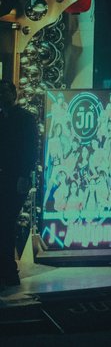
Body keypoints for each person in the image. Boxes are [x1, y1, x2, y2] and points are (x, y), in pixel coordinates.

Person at [0, 80, 38, 288]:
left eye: (5, 92)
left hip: (15, 178)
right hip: (5, 176)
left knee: (6, 223)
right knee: (4, 224)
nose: (2, 96)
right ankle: (6, 270)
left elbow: (31, 149)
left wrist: (24, 175)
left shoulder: (25, 118)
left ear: (13, 94)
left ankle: (9, 271)